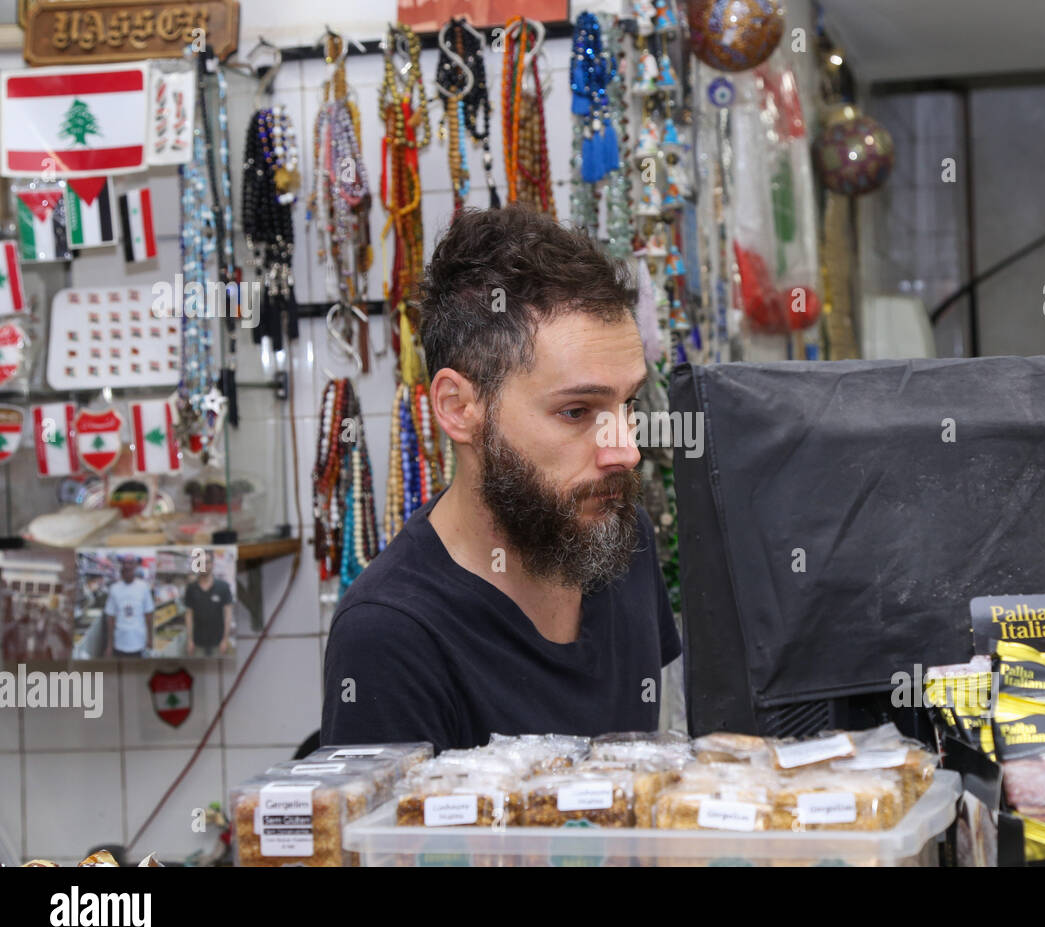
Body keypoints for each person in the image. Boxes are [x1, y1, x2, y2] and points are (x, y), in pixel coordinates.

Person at [322, 206, 681, 749]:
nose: (625, 451)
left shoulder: (619, 538)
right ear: (459, 407)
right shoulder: (391, 634)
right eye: (577, 412)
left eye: (627, 404)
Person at [184, 550, 233, 657]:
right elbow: (189, 616)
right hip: (197, 643)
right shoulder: (191, 588)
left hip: (218, 643)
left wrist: (225, 640)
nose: (205, 565)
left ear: (213, 564)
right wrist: (189, 640)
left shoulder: (223, 587)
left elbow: (228, 616)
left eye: (207, 562)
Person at [103, 555, 154, 658]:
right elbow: (110, 618)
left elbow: (149, 614)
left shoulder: (143, 587)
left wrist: (150, 639)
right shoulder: (114, 589)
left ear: (135, 567)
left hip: (139, 642)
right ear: (121, 568)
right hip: (120, 643)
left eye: (130, 563)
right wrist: (109, 645)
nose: (127, 566)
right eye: (125, 564)